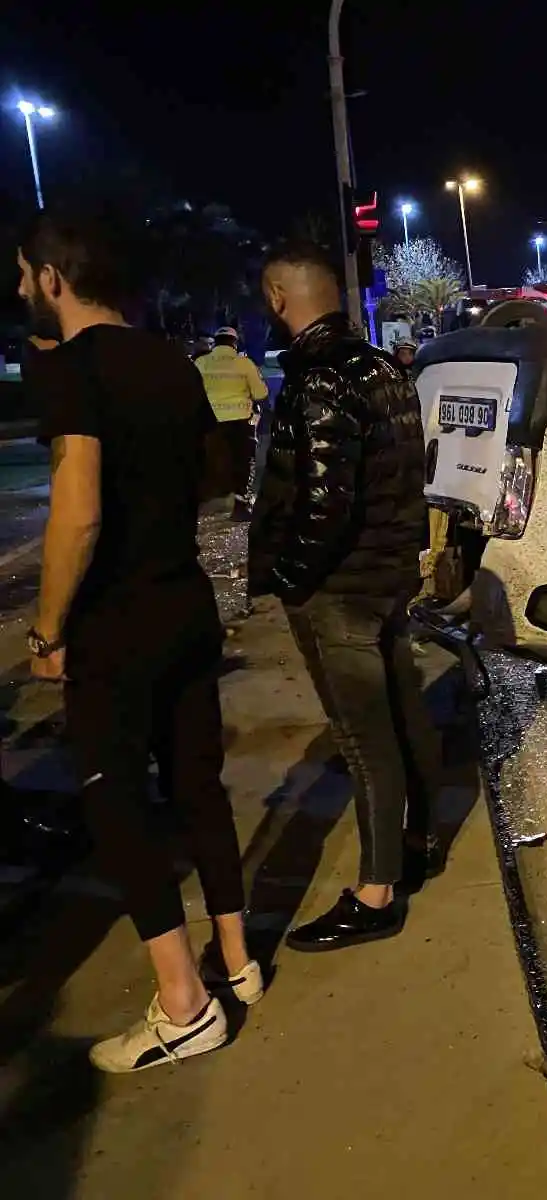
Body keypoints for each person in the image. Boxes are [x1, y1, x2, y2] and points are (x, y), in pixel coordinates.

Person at [17, 207, 260, 1073]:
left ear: (54, 277)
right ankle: (236, 960)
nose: (19, 290)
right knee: (198, 781)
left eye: (23, 274)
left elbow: (76, 508)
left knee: (114, 802)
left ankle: (185, 1004)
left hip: (116, 620)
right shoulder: (171, 360)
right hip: (184, 601)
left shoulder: (71, 368)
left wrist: (48, 629)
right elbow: (209, 473)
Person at [250, 240, 442, 952]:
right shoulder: (382, 370)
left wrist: (292, 578)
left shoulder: (321, 376)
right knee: (401, 721)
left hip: (342, 590)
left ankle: (376, 892)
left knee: (365, 744)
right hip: (385, 579)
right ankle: (412, 849)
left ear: (279, 297)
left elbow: (324, 503)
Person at [194, 325, 269, 520]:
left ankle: (205, 504)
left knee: (207, 462)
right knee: (243, 463)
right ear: (234, 343)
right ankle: (241, 507)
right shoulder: (243, 363)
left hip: (209, 422)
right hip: (239, 422)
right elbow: (261, 393)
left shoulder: (201, 363)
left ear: (216, 343)